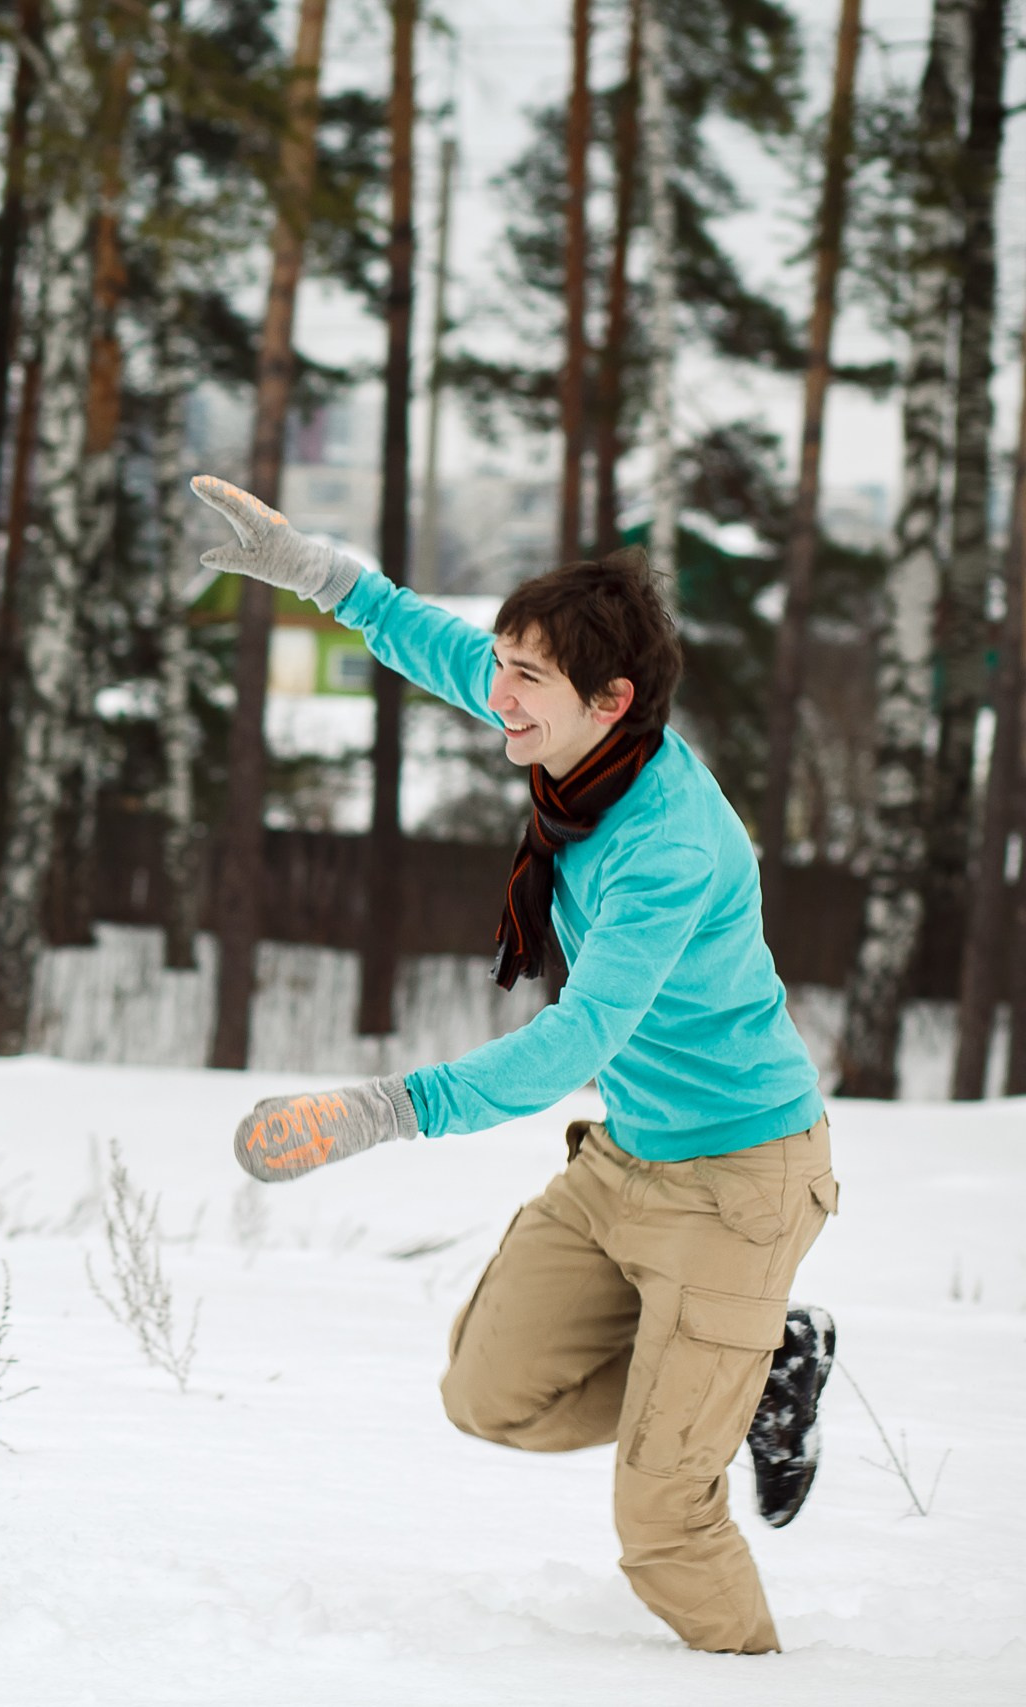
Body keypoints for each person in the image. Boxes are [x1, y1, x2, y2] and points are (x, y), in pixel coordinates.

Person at [190, 476, 839, 1657]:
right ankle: (741, 1373)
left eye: (523, 679)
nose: (497, 696)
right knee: (488, 1397)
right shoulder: (574, 746)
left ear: (612, 698)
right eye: (502, 667)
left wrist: (390, 1109)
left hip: (740, 1183)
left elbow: (575, 1043)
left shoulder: (664, 843)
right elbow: (428, 641)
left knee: (662, 1521)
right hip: (632, 1162)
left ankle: (749, 1652)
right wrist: (309, 570)